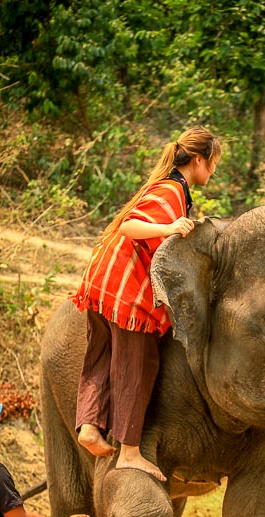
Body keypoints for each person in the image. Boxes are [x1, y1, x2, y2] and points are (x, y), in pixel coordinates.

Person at [72, 125, 222, 480]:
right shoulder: (171, 191)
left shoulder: (168, 187)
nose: (213, 171)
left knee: (101, 354)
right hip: (126, 286)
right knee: (139, 361)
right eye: (213, 163)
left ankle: (90, 427)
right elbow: (130, 226)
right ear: (198, 160)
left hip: (103, 279)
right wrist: (169, 229)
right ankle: (129, 452)